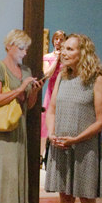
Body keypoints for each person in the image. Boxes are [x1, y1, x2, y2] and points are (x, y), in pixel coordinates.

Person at [45, 34, 102, 203]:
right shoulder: (62, 76)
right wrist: (52, 133)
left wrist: (77, 139)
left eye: (70, 49)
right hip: (62, 146)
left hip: (84, 147)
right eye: (63, 49)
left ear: (83, 52)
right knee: (65, 198)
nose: (63, 52)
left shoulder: (96, 79)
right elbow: (51, 110)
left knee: (86, 199)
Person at [0, 30, 43, 203]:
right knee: (6, 177)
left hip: (20, 128)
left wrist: (34, 91)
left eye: (26, 48)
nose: (25, 52)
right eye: (21, 48)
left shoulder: (26, 70)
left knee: (19, 176)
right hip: (4, 130)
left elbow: (27, 105)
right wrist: (20, 87)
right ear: (9, 46)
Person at [40, 30, 67, 162]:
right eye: (56, 39)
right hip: (51, 92)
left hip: (63, 91)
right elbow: (47, 74)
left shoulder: (67, 58)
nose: (58, 41)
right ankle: (41, 155)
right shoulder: (48, 57)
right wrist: (56, 59)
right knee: (45, 123)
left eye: (61, 39)